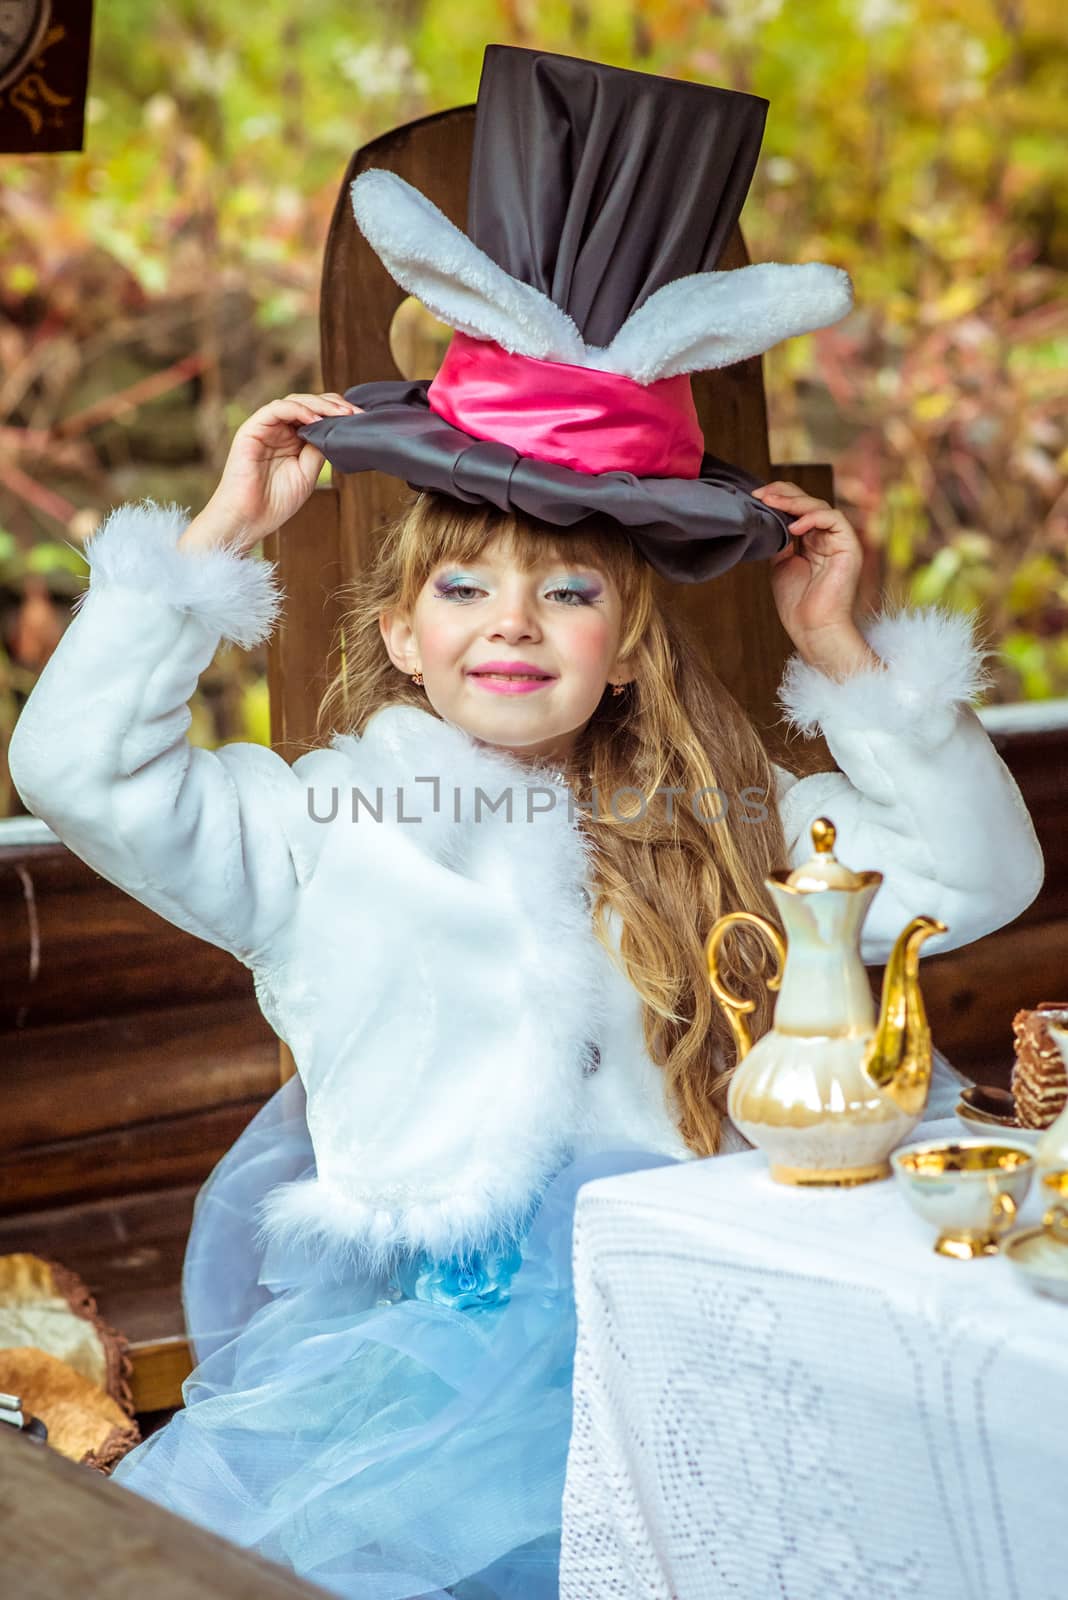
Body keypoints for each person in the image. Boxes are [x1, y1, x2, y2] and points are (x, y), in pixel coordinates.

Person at [7, 45, 1045, 1600]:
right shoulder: (315, 826)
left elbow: (980, 872)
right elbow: (81, 772)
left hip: (699, 1310)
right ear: (405, 629)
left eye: (570, 593)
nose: (517, 623)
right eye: (465, 587)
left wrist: (845, 656)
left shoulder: (731, 817)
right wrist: (211, 545)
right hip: (429, 1378)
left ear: (626, 641)